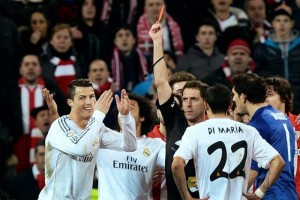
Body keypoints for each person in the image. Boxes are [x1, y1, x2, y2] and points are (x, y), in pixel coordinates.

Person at [172, 84, 285, 200]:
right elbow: (278, 162)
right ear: (230, 106)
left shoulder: (194, 131)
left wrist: (186, 197)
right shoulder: (249, 131)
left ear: (206, 105)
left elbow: (177, 164)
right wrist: (259, 194)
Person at [38, 79, 137, 199]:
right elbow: (80, 149)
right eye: (82, 98)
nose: (89, 102)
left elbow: (130, 146)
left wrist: (125, 117)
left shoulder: (96, 127)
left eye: (91, 96)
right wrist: (99, 114)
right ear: (70, 102)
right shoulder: (59, 126)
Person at [149, 22, 209, 199]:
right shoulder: (174, 117)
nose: (187, 102)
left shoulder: (213, 123)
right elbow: (160, 82)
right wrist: (158, 42)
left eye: (192, 97)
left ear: (204, 100)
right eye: (182, 96)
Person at [232, 73, 297, 199]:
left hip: (272, 194)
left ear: (243, 97)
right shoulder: (281, 117)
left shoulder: (257, 125)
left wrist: (232, 195)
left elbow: (252, 172)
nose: (233, 99)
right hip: (289, 192)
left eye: (234, 94)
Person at [97, 93, 165, 199]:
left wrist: (162, 173)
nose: (124, 110)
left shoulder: (156, 146)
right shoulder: (104, 141)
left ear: (142, 117)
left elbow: (173, 165)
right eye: (121, 108)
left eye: (130, 107)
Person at [253, 5, 300, 113]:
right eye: (278, 20)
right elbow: (259, 76)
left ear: (292, 23)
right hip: (274, 99)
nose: (282, 23)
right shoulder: (263, 48)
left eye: (285, 20)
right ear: (273, 24)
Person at [265, 76, 300, 198]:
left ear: (284, 97)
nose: (265, 99)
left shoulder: (298, 124)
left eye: (270, 94)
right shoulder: (259, 128)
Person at [111, 25, 148, 92]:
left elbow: (147, 78)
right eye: (120, 35)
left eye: (127, 35)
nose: (124, 38)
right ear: (115, 42)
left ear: (134, 40)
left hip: (142, 95)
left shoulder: (145, 58)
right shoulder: (109, 60)